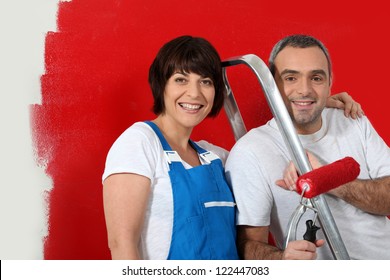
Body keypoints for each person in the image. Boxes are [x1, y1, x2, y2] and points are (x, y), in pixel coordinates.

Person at [102, 35, 364, 260]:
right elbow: (122, 244)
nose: (194, 93)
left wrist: (313, 102)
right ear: (162, 85)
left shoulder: (215, 157)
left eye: (205, 82)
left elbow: (260, 160)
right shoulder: (140, 142)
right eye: (181, 80)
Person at [225, 34, 390, 260]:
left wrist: (327, 179)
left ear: (330, 82)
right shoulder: (250, 151)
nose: (305, 90)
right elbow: (247, 245)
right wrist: (282, 259)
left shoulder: (352, 120)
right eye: (291, 78)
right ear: (272, 83)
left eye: (316, 78)